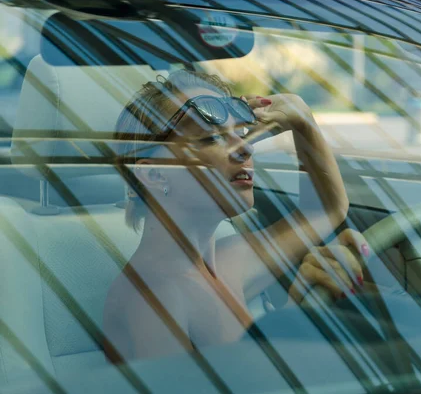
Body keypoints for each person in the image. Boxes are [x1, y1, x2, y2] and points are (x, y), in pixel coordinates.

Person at [103, 69, 370, 362]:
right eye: (210, 138)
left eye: (241, 133)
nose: (244, 147)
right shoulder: (152, 300)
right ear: (154, 173)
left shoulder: (227, 260)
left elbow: (326, 208)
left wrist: (302, 118)